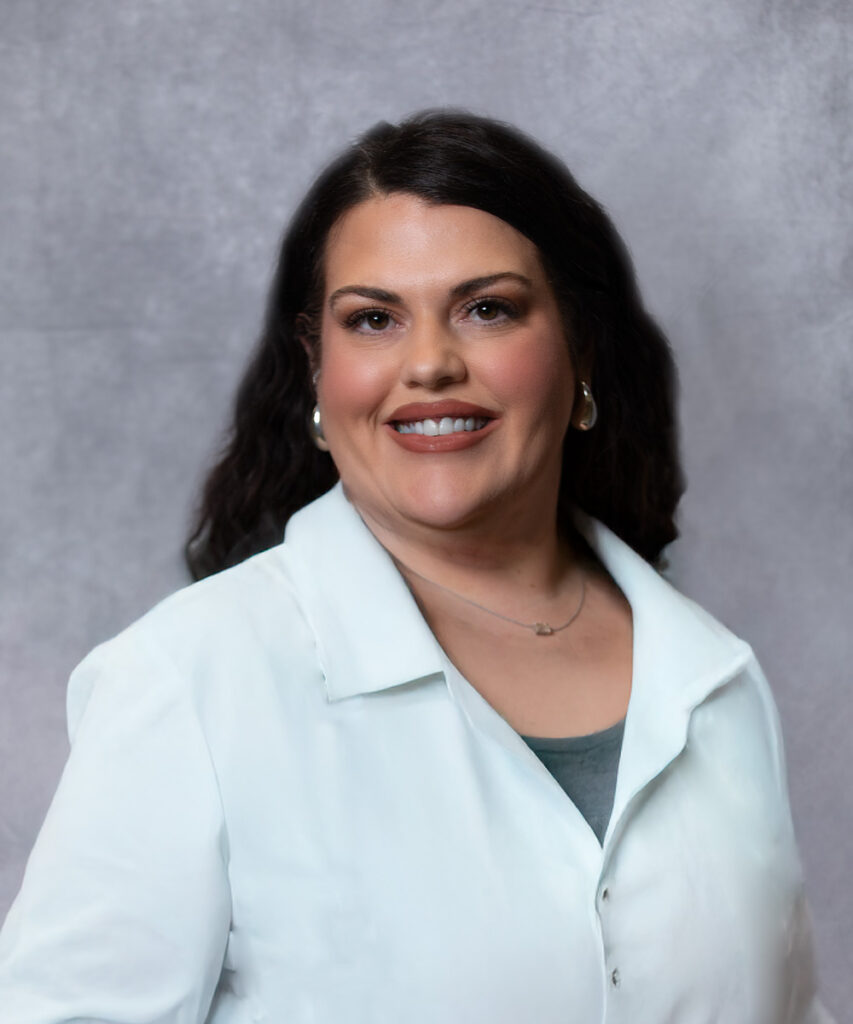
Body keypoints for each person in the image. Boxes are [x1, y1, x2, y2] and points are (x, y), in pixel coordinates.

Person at [0, 110, 833, 1023]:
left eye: (487, 309)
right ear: (317, 370)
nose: (429, 363)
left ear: (579, 349)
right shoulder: (191, 680)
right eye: (373, 320)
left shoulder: (714, 679)